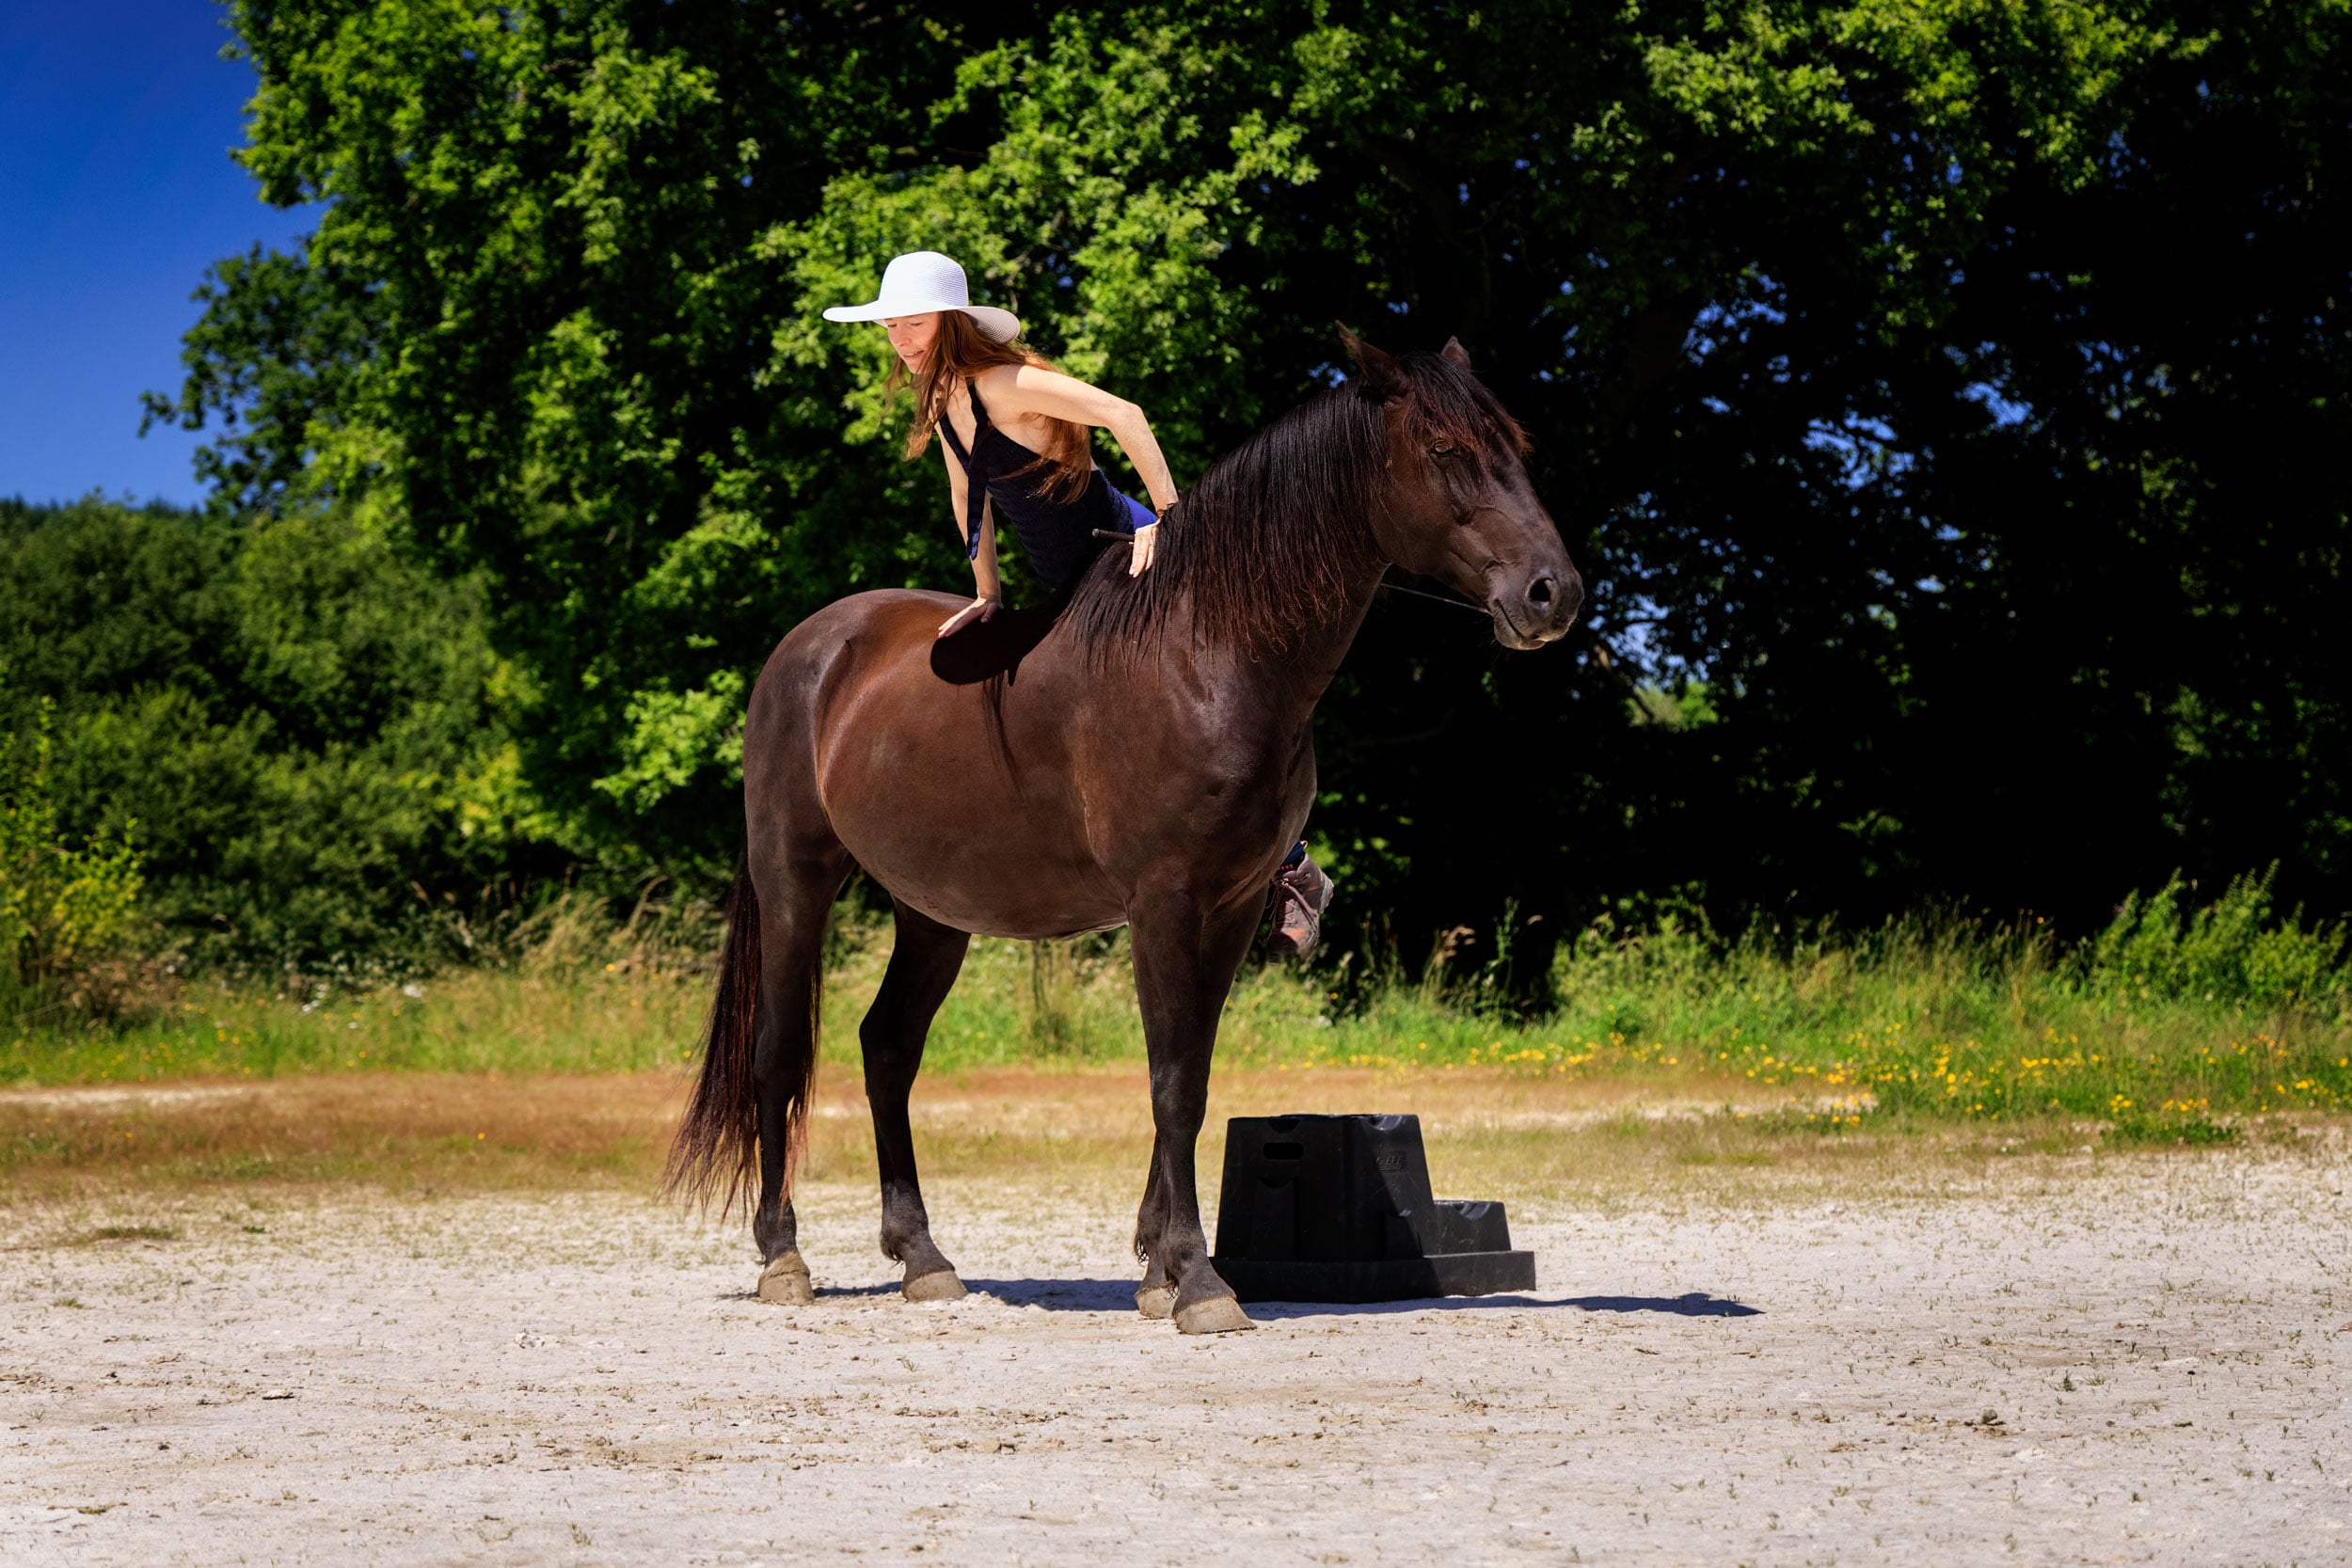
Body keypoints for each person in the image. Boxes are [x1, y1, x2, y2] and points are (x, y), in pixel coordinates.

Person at [823, 249, 1334, 957]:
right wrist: (987, 593)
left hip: (1128, 546)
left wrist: (1172, 519)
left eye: (912, 323)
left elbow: (1124, 414)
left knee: (1205, 707)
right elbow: (967, 500)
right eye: (891, 328)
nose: (899, 339)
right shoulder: (943, 401)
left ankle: (1293, 866)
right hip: (1069, 581)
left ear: (950, 323)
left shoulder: (1007, 382)